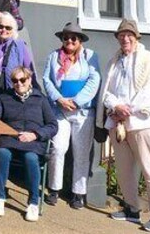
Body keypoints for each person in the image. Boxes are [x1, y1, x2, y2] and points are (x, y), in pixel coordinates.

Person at [96, 19, 150, 233]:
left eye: (129, 35)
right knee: (124, 169)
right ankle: (131, 208)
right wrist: (115, 106)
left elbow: (149, 91)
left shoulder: (149, 60)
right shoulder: (114, 62)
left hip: (140, 123)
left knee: (149, 168)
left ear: (136, 37)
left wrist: (126, 108)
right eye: (121, 35)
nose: (125, 38)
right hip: (118, 123)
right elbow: (106, 91)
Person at [0, 66, 57, 222]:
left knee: (31, 158)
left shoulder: (41, 99)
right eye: (15, 81)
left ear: (30, 79)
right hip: (9, 138)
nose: (19, 83)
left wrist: (35, 135)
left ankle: (32, 203)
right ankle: (0, 197)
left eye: (22, 80)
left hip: (33, 140)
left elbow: (52, 125)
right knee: (2, 153)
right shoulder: (4, 97)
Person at [42, 22, 100, 209]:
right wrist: (59, 99)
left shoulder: (90, 57)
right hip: (60, 110)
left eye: (74, 37)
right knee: (57, 149)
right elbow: (47, 80)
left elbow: (94, 81)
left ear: (80, 40)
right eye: (66, 37)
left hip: (82, 111)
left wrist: (76, 101)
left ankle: (78, 193)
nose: (70, 40)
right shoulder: (53, 57)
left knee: (81, 153)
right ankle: (54, 189)